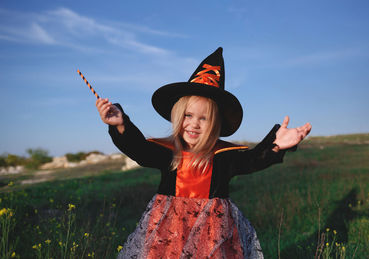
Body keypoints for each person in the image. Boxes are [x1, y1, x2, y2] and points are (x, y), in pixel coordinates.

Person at [96, 47, 311, 258]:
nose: (193, 124)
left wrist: (275, 145)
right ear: (178, 116)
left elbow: (252, 160)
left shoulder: (224, 155)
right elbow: (140, 150)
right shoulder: (169, 152)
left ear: (215, 124)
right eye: (188, 115)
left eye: (203, 118)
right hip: (169, 231)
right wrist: (121, 125)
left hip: (212, 233)